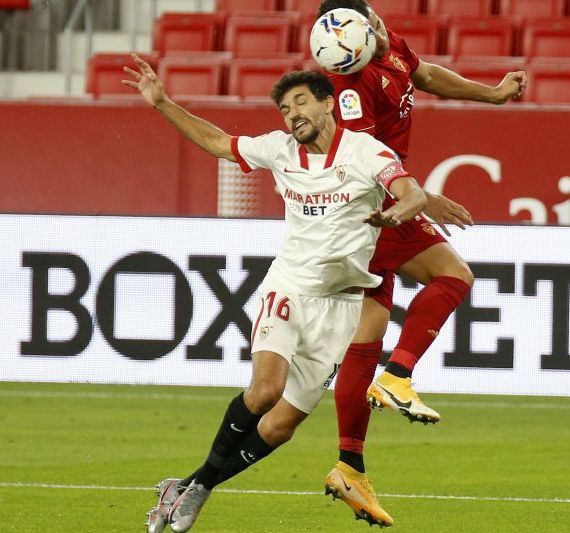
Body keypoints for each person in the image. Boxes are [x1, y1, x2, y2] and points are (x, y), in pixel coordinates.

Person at [122, 55, 428, 533]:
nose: (292, 115)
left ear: (329, 104)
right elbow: (217, 142)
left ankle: (184, 486)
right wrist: (162, 103)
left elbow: (412, 192)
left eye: (301, 103)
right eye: (285, 109)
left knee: (280, 427)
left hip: (342, 307)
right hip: (288, 288)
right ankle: (198, 493)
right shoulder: (279, 149)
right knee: (265, 390)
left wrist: (398, 211)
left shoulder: (367, 153)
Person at [316, 0, 529, 526]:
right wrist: (420, 197)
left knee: (366, 332)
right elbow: (356, 155)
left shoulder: (392, 48)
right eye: (372, 27)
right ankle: (400, 374)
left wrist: (493, 95)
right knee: (453, 275)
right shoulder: (349, 85)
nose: (384, 31)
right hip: (372, 206)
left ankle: (349, 468)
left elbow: (427, 75)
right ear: (352, 40)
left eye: (378, 21)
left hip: (382, 205)